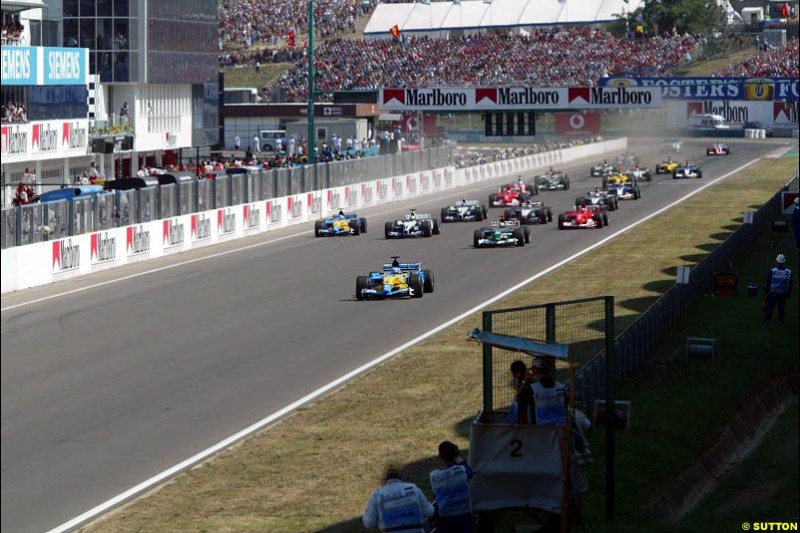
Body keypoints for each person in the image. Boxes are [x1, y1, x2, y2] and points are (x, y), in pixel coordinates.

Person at [363, 462, 434, 533]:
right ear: (400, 474)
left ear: (385, 476)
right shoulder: (413, 488)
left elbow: (368, 523)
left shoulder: (377, 495)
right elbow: (429, 512)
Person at [429, 441, 473, 533]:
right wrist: (458, 458)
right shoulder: (462, 470)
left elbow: (435, 495)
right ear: (455, 454)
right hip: (464, 514)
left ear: (440, 456)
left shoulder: (434, 475)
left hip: (445, 516)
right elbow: (470, 472)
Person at [764, 253, 793, 322]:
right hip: (783, 292)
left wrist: (766, 290)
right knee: (781, 306)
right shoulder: (789, 272)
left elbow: (768, 282)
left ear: (777, 261)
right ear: (784, 262)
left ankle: (768, 318)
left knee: (770, 306)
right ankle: (781, 319)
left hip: (773, 292)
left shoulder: (772, 271)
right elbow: (790, 284)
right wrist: (788, 292)